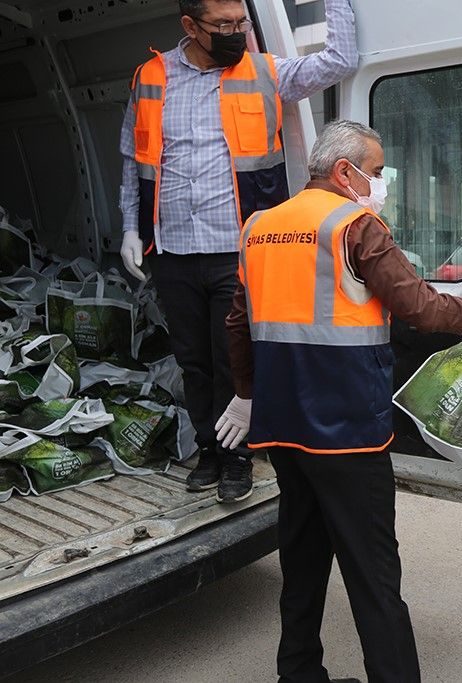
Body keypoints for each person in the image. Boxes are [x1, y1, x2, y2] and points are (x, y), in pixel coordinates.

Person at [214, 120, 462, 683]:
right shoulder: (357, 226)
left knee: (302, 560)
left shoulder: (260, 226)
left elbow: (239, 320)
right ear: (345, 172)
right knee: (374, 574)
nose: (380, 183)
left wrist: (245, 395)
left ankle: (299, 673)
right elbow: (422, 309)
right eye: (377, 172)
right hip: (348, 433)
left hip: (284, 428)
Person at [117, 0, 358, 502]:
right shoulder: (151, 76)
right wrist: (130, 229)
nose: (235, 33)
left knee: (233, 358)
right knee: (193, 360)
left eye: (240, 23)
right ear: (190, 26)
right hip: (174, 248)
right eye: (222, 26)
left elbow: (340, 60)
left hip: (237, 250)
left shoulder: (266, 72)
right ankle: (208, 449)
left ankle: (238, 458)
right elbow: (132, 160)